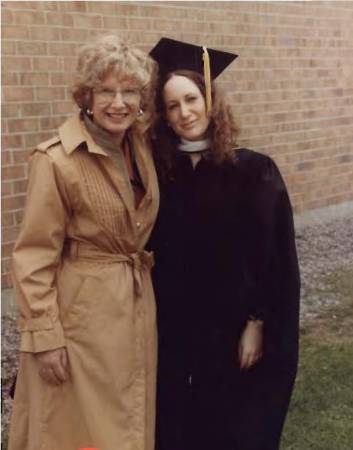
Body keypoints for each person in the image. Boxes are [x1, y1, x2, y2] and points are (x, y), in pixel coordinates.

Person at [8, 34, 159, 450]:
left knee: (130, 416)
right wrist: (45, 337)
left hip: (135, 303)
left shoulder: (141, 147)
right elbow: (34, 255)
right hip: (81, 317)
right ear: (86, 96)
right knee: (77, 429)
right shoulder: (56, 159)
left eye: (129, 91)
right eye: (106, 90)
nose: (119, 102)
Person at [148, 38, 300, 450]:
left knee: (239, 429)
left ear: (210, 99)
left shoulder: (252, 171)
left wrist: (256, 322)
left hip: (236, 327)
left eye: (191, 99)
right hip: (180, 331)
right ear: (163, 115)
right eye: (173, 105)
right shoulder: (162, 176)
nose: (185, 113)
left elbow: (276, 257)